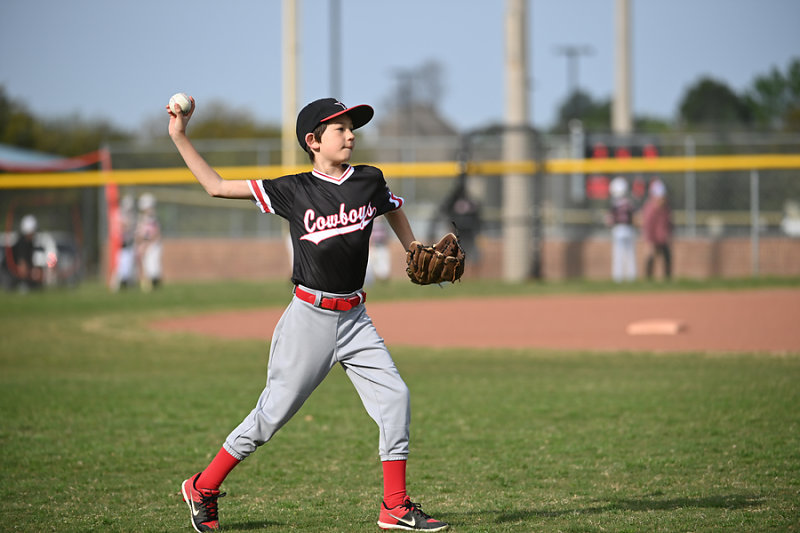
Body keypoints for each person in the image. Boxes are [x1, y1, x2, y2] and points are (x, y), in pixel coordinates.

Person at [168, 96, 449, 532]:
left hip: (355, 318)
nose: (351, 135)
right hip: (309, 318)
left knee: (396, 396)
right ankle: (202, 486)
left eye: (352, 128)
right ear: (313, 141)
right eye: (340, 129)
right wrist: (180, 136)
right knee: (271, 416)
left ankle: (394, 505)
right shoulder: (293, 189)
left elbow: (393, 207)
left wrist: (412, 246)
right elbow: (217, 186)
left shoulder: (369, 180)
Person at [605, 176, 637, 282]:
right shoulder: (629, 203)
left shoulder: (614, 205)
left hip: (618, 229)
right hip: (628, 229)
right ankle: (631, 277)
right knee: (629, 254)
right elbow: (635, 217)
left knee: (618, 254)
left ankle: (618, 277)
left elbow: (609, 220)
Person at [641, 179, 673, 280]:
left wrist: (669, 233)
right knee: (650, 257)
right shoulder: (650, 208)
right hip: (653, 238)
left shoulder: (666, 208)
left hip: (663, 237)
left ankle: (667, 278)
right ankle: (648, 278)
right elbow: (648, 225)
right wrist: (649, 240)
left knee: (667, 257)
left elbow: (669, 222)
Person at [5, 214, 43, 291]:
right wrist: (32, 274)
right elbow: (22, 267)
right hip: (9, 274)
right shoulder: (22, 243)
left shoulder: (30, 243)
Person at [134, 193, 163, 291]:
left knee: (153, 265)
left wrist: (147, 242)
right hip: (145, 244)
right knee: (146, 265)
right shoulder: (142, 219)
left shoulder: (152, 219)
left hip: (152, 244)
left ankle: (154, 283)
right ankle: (149, 283)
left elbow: (154, 233)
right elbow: (140, 234)